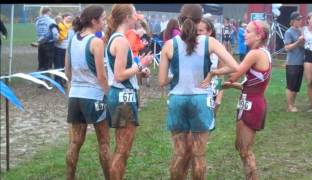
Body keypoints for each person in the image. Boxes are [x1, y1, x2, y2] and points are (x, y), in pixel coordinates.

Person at [159, 4, 239, 179]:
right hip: (201, 99)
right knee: (199, 154)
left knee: (179, 154)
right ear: (199, 20)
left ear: (180, 20)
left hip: (177, 99)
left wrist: (177, 75)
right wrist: (213, 73)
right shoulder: (209, 41)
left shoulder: (169, 45)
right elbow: (234, 66)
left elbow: (162, 81)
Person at [204, 20, 272, 180]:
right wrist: (232, 86)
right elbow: (256, 86)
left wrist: (214, 72)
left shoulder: (254, 54)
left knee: (245, 150)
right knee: (240, 147)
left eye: (248, 31)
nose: (244, 34)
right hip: (253, 101)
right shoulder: (265, 53)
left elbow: (234, 73)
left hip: (251, 104)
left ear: (259, 35)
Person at [104, 4, 153, 179]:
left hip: (122, 96)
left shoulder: (117, 38)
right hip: (122, 97)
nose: (136, 19)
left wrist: (139, 70)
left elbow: (123, 71)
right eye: (134, 16)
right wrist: (141, 65)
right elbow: (119, 75)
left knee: (122, 149)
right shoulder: (122, 40)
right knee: (122, 150)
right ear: (126, 18)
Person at [64, 5, 110, 179]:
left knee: (74, 143)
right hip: (94, 97)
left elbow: (67, 72)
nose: (105, 23)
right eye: (103, 19)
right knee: (104, 143)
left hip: (75, 96)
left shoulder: (72, 39)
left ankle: (69, 177)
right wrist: (109, 94)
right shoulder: (96, 42)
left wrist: (77, 83)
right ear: (94, 21)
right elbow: (102, 76)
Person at [197, 17, 225, 116]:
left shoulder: (218, 50)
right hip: (193, 93)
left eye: (200, 30)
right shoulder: (191, 48)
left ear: (209, 32)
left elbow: (221, 76)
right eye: (196, 30)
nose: (197, 33)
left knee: (206, 127)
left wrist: (218, 97)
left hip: (211, 93)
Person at [283, 11, 305, 112]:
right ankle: (290, 106)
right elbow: (287, 48)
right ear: (292, 21)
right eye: (298, 19)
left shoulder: (301, 31)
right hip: (292, 63)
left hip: (301, 62)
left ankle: (293, 104)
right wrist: (298, 41)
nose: (300, 21)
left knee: (296, 86)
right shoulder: (289, 32)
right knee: (291, 85)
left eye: (301, 19)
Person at [35, 6, 59, 71]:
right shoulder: (51, 21)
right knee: (48, 65)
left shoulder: (37, 20)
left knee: (41, 63)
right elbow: (55, 34)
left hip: (40, 43)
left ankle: (39, 79)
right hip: (49, 44)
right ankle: (47, 80)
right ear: (48, 12)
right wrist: (56, 40)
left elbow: (37, 32)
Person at [54, 12, 73, 86]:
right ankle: (58, 80)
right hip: (59, 47)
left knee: (66, 64)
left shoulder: (71, 25)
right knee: (59, 64)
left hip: (67, 48)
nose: (70, 18)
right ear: (64, 17)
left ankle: (65, 79)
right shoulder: (59, 25)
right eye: (68, 17)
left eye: (71, 18)